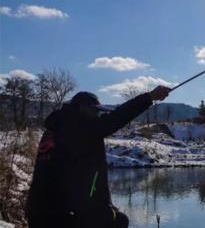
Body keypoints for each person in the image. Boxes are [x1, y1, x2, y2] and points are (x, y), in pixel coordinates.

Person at [26, 85, 171, 228]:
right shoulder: (79, 127)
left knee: (116, 219)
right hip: (61, 215)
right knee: (119, 221)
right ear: (81, 109)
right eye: (94, 111)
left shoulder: (58, 127)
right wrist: (149, 97)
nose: (97, 116)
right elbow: (117, 117)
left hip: (40, 211)